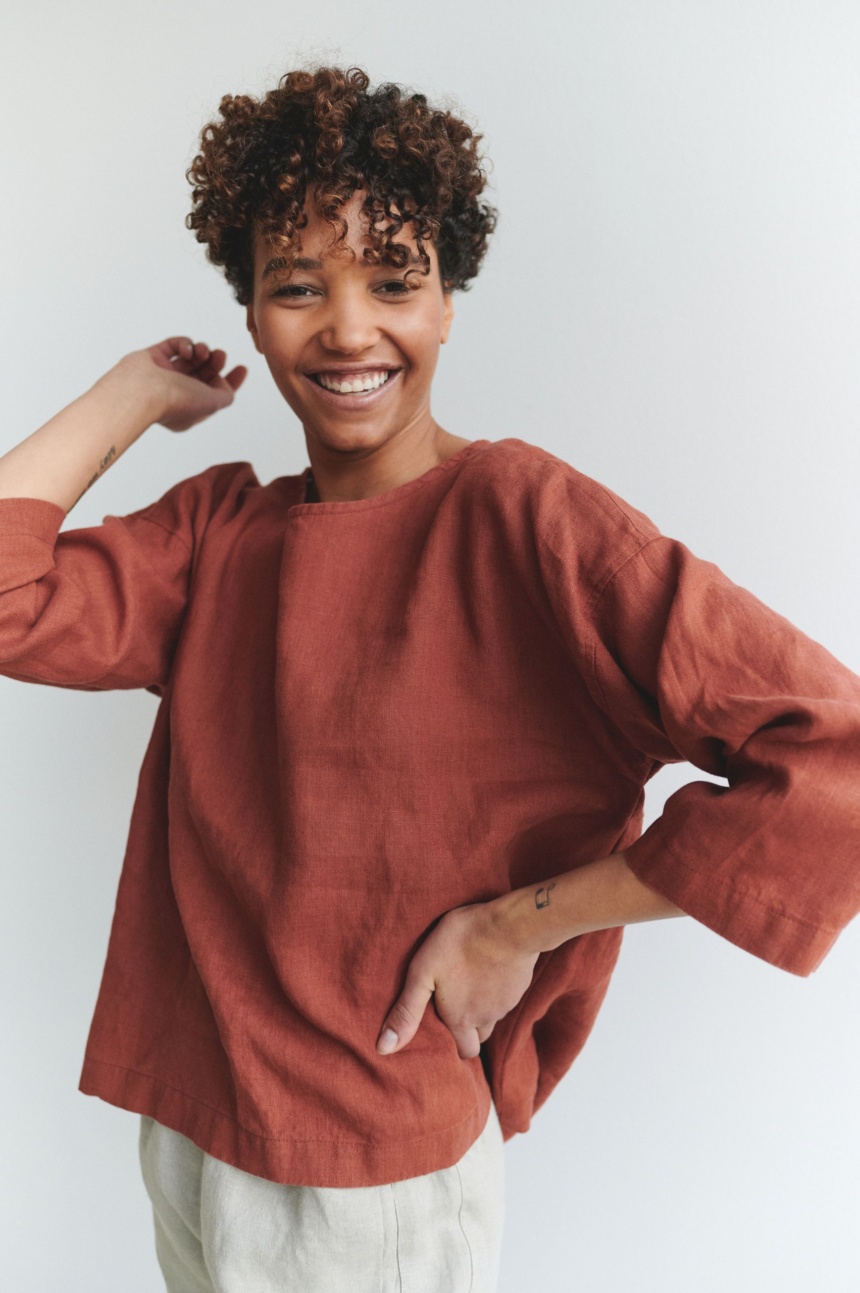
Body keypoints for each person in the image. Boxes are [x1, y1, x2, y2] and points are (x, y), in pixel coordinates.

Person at [1, 63, 858, 1293]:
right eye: (297, 287)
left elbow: (831, 761)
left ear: (448, 302)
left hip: (368, 1174)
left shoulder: (524, 520)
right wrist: (132, 392)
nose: (349, 329)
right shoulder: (218, 537)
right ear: (248, 312)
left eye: (394, 282)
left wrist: (517, 927)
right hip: (193, 1129)